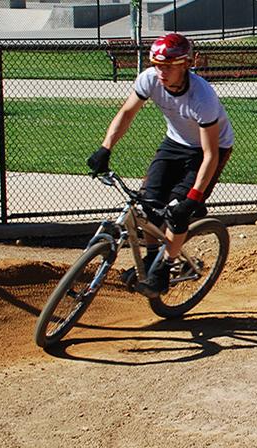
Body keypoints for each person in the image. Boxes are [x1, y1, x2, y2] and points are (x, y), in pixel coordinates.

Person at [87, 32, 234, 298]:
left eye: (168, 67)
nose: (161, 73)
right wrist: (105, 148)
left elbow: (210, 154)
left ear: (185, 65)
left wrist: (193, 197)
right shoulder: (149, 80)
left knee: (176, 212)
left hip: (209, 150)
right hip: (174, 143)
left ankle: (165, 269)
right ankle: (152, 260)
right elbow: (126, 113)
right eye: (157, 66)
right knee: (147, 206)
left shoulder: (202, 98)